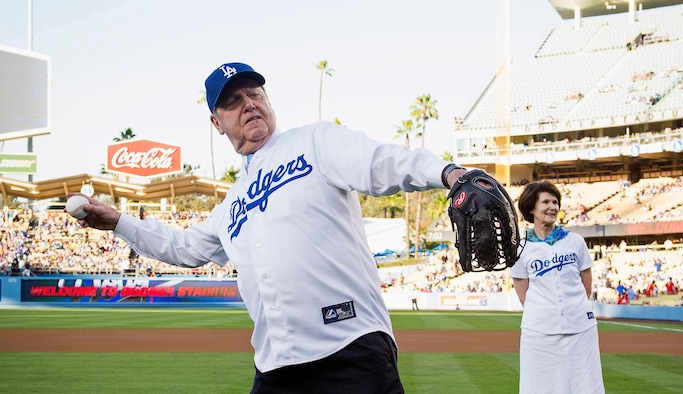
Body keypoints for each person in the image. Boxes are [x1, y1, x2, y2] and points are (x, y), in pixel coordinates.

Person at [70, 62, 470, 393]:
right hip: (276, 368)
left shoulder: (314, 141)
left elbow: (383, 162)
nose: (248, 104)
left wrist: (449, 173)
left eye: (254, 94)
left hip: (350, 349)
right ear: (217, 122)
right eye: (233, 101)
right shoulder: (232, 203)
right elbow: (186, 246)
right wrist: (120, 222)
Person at [510, 181, 605, 394]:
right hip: (539, 332)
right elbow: (522, 290)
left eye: (555, 202)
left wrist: (576, 308)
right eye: (545, 202)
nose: (552, 206)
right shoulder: (521, 247)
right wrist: (545, 312)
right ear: (531, 208)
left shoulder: (575, 241)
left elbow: (585, 281)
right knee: (539, 385)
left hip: (580, 328)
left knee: (585, 384)